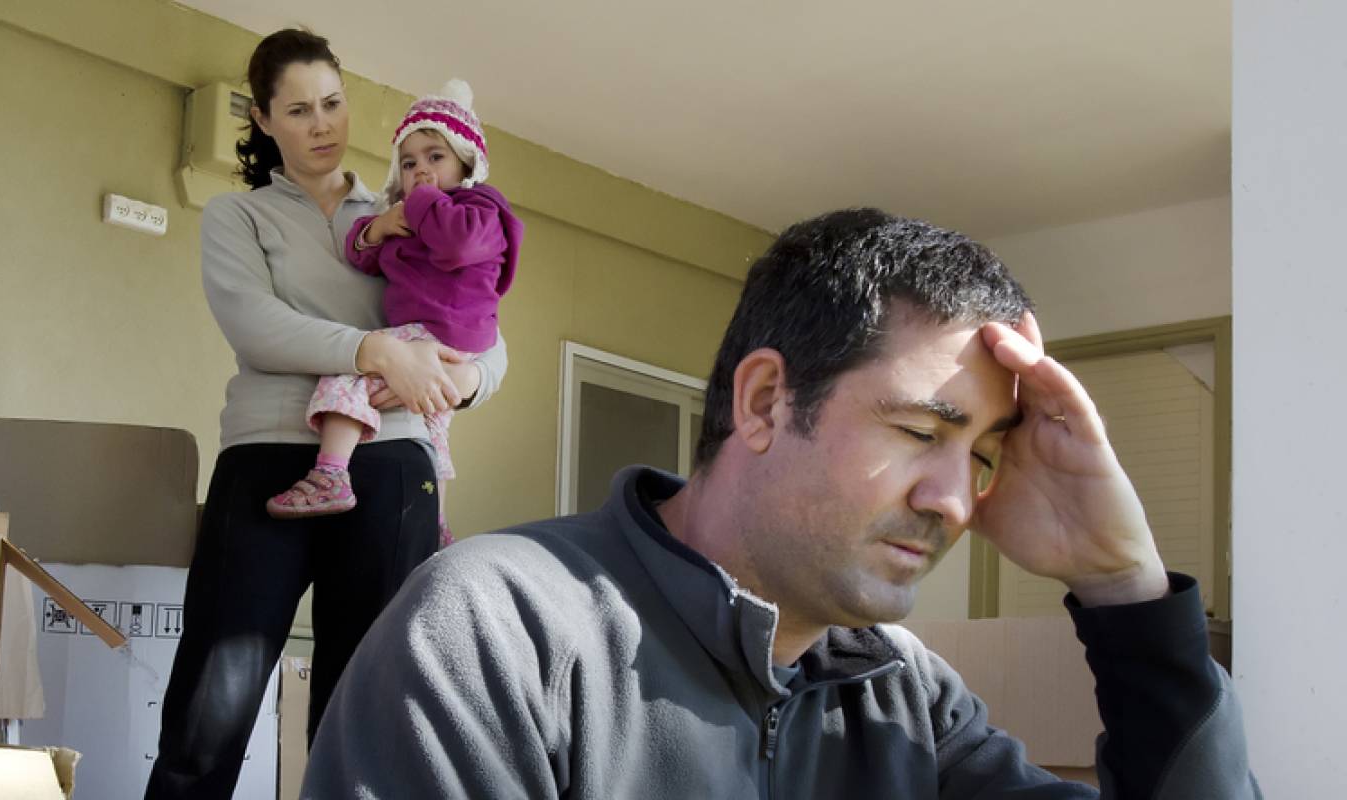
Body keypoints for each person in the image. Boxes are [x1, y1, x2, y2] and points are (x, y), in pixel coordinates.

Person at [303, 208, 1256, 798]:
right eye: (925, 434)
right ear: (765, 401)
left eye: (987, 456)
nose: (956, 500)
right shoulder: (496, 631)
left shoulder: (906, 700)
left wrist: (1123, 588)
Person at [144, 29, 507, 799]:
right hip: (270, 457)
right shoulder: (237, 218)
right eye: (300, 109)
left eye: (334, 103)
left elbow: (485, 332)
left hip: (392, 467)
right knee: (212, 706)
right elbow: (256, 325)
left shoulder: (412, 203)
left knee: (362, 715)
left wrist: (466, 379)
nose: (323, 124)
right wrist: (377, 351)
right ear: (265, 120)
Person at [266, 79, 523, 552]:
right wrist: (378, 227)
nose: (420, 170)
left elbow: (461, 243)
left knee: (351, 373)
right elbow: (366, 258)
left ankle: (330, 473)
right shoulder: (414, 217)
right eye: (409, 163)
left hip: (446, 326)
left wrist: (421, 200)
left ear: (466, 161)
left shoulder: (479, 207)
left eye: (434, 157)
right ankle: (440, 523)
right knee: (433, 425)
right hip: (436, 333)